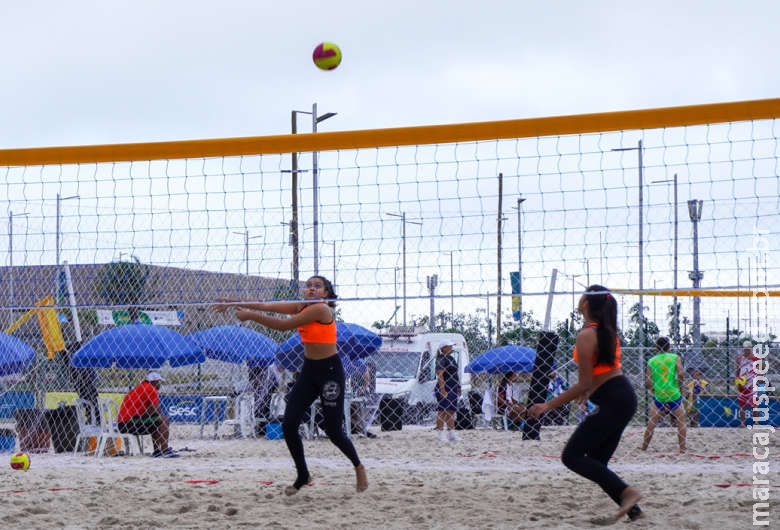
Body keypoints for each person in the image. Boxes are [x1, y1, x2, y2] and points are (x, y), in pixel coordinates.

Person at [213, 275, 367, 495]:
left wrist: (249, 316)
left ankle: (358, 467)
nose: (312, 289)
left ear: (325, 293)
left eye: (317, 286)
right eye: (309, 286)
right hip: (309, 370)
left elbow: (282, 326)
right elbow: (265, 305)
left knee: (333, 431)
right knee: (289, 424)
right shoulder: (301, 306)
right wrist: (230, 300)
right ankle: (303, 474)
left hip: (330, 372)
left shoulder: (321, 310)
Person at [528, 285, 643, 524]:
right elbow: (600, 372)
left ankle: (629, 493)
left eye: (582, 296)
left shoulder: (586, 335)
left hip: (614, 399)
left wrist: (546, 406)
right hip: (623, 397)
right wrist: (589, 391)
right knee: (597, 463)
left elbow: (583, 383)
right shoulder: (605, 331)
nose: (578, 299)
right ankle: (634, 511)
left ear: (587, 304)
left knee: (571, 456)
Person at [116, 372, 179, 458]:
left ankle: (157, 451)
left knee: (155, 421)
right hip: (130, 422)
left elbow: (151, 412)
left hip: (123, 424)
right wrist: (155, 412)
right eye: (159, 382)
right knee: (164, 419)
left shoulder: (138, 388)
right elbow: (156, 410)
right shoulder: (151, 389)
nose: (160, 385)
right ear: (154, 382)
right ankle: (165, 450)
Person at [641, 337, 686, 453]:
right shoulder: (675, 357)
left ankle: (644, 448)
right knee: (681, 421)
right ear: (669, 347)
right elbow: (681, 374)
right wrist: (680, 387)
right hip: (673, 392)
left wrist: (653, 390)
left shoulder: (651, 361)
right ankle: (682, 449)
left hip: (659, 394)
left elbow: (648, 381)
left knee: (652, 422)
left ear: (656, 348)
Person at [435, 340, 461, 442]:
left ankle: (451, 434)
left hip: (453, 386)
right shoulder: (441, 359)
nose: (451, 348)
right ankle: (440, 434)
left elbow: (455, 374)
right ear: (444, 348)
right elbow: (440, 375)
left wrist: (458, 387)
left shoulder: (451, 359)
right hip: (445, 386)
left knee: (451, 411)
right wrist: (442, 389)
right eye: (449, 346)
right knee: (442, 411)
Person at [736, 340, 758, 427]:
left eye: (748, 349)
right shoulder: (740, 358)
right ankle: (742, 423)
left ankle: (756, 423)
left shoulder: (756, 358)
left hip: (752, 384)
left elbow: (762, 369)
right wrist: (737, 379)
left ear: (751, 349)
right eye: (745, 349)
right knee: (742, 405)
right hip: (742, 384)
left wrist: (760, 378)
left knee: (754, 405)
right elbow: (737, 370)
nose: (746, 351)